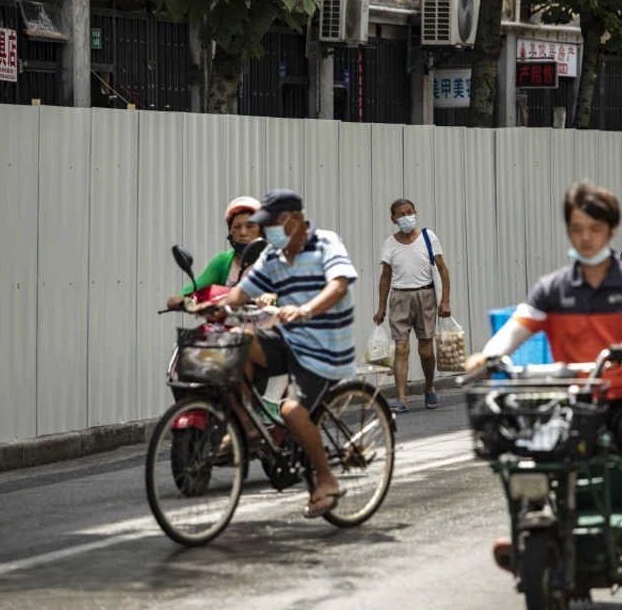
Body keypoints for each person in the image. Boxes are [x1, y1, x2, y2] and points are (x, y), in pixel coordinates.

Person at [465, 182, 622, 576]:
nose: (585, 237)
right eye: (577, 228)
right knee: (527, 440)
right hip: (579, 396)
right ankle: (530, 520)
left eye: (594, 228)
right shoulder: (553, 288)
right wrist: (489, 354)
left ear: (611, 231)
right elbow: (518, 326)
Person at [214, 189, 358, 519]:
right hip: (287, 337)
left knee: (293, 411)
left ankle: (326, 481)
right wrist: (210, 306)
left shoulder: (326, 243)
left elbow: (338, 285)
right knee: (238, 341)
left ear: (292, 220)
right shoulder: (273, 255)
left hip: (324, 344)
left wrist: (307, 309)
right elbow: (240, 293)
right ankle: (250, 428)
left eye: (271, 225)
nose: (267, 233)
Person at [373, 199, 452, 413]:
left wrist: (445, 300)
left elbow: (443, 270)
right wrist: (381, 307)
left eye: (409, 212)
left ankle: (428, 386)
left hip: (425, 296)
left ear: (415, 213)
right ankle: (401, 398)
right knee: (401, 348)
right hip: (399, 298)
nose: (406, 217)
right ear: (393, 219)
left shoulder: (428, 237)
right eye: (401, 214)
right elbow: (385, 277)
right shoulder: (390, 243)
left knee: (426, 351)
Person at [165, 196, 263, 310]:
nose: (243, 232)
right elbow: (198, 285)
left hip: (266, 324)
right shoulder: (223, 261)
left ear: (261, 230)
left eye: (250, 226)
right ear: (230, 232)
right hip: (227, 322)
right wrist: (179, 299)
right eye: (237, 227)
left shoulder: (273, 260)